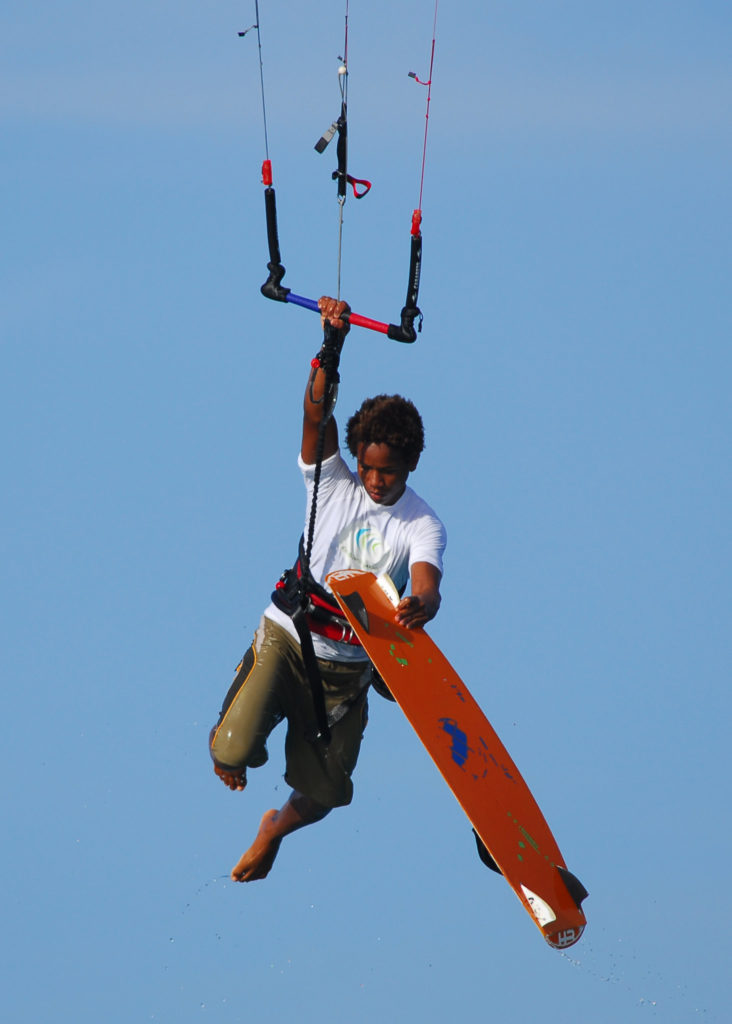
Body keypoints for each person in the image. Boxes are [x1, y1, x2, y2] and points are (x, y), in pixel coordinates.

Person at [208, 296, 446, 882]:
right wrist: (330, 348)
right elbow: (317, 418)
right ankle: (236, 732)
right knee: (229, 753)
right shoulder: (332, 480)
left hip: (348, 668)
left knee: (325, 795)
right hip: (289, 638)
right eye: (368, 467)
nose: (375, 481)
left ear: (411, 465)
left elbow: (427, 582)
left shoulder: (422, 523)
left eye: (388, 471)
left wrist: (421, 604)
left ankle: (273, 830)